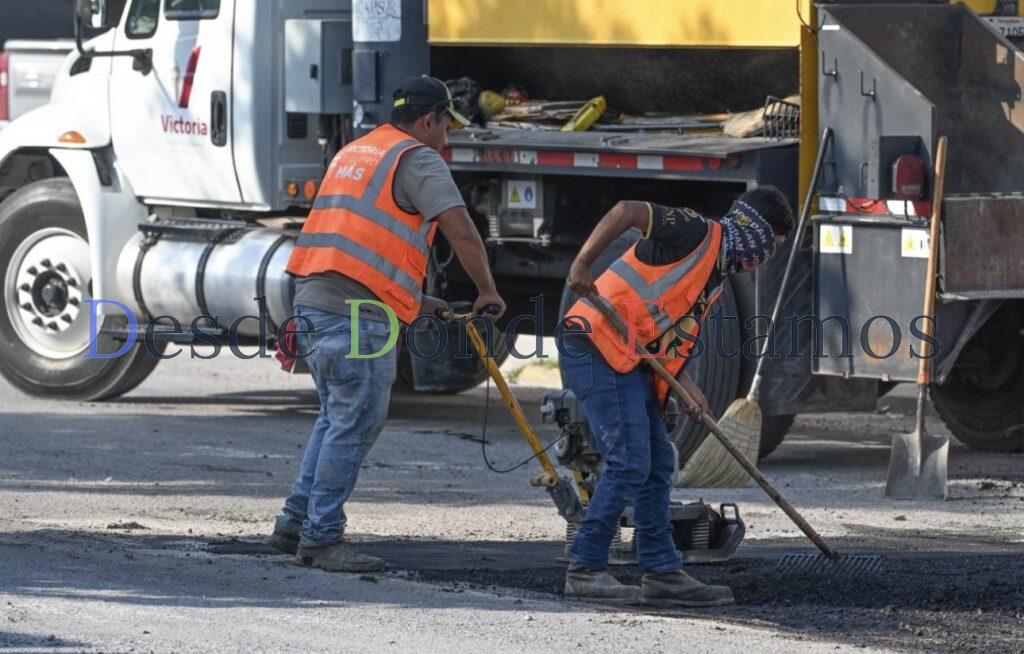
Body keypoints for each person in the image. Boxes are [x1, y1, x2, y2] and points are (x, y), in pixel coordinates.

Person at [269, 76, 506, 572]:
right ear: (428, 121)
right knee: (354, 421)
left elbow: (358, 250)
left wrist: (423, 301)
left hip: (314, 302)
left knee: (336, 417)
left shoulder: (356, 152)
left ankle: (295, 523)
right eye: (446, 126)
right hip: (356, 315)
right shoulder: (417, 159)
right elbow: (461, 230)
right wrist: (487, 290)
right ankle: (321, 538)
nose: (449, 137)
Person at [560, 188, 793, 605]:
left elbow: (663, 334)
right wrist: (581, 265)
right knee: (630, 459)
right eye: (771, 247)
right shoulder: (695, 233)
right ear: (755, 232)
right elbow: (625, 210)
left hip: (626, 355)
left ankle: (662, 572)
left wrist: (684, 385)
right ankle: (585, 568)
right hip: (594, 343)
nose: (766, 258)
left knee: (658, 461)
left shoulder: (712, 280)